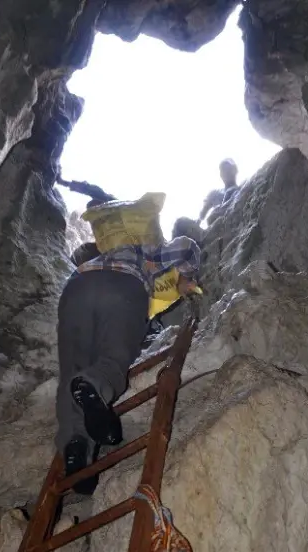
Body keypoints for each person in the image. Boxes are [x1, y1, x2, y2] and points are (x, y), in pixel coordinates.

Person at [57, 234, 201, 494]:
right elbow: (186, 247)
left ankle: (78, 450)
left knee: (72, 371)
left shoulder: (103, 257)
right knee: (113, 359)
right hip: (123, 285)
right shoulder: (146, 251)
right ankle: (94, 383)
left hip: (75, 289)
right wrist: (185, 278)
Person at [199, 159, 239, 224]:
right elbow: (201, 216)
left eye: (229, 169)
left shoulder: (242, 190)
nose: (227, 172)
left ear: (236, 171)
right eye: (223, 170)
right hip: (215, 228)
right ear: (221, 174)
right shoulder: (214, 193)